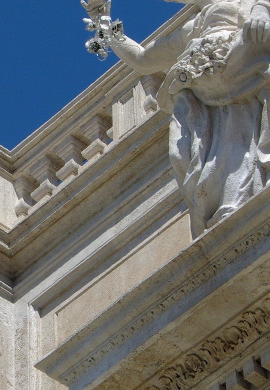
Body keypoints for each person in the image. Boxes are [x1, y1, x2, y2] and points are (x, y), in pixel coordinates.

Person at [101, 0, 270, 236]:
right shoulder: (191, 29)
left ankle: (241, 197)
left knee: (242, 140)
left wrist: (262, 10)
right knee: (196, 154)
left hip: (243, 72)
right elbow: (142, 60)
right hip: (205, 93)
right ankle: (229, 203)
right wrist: (107, 28)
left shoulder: (246, 2)